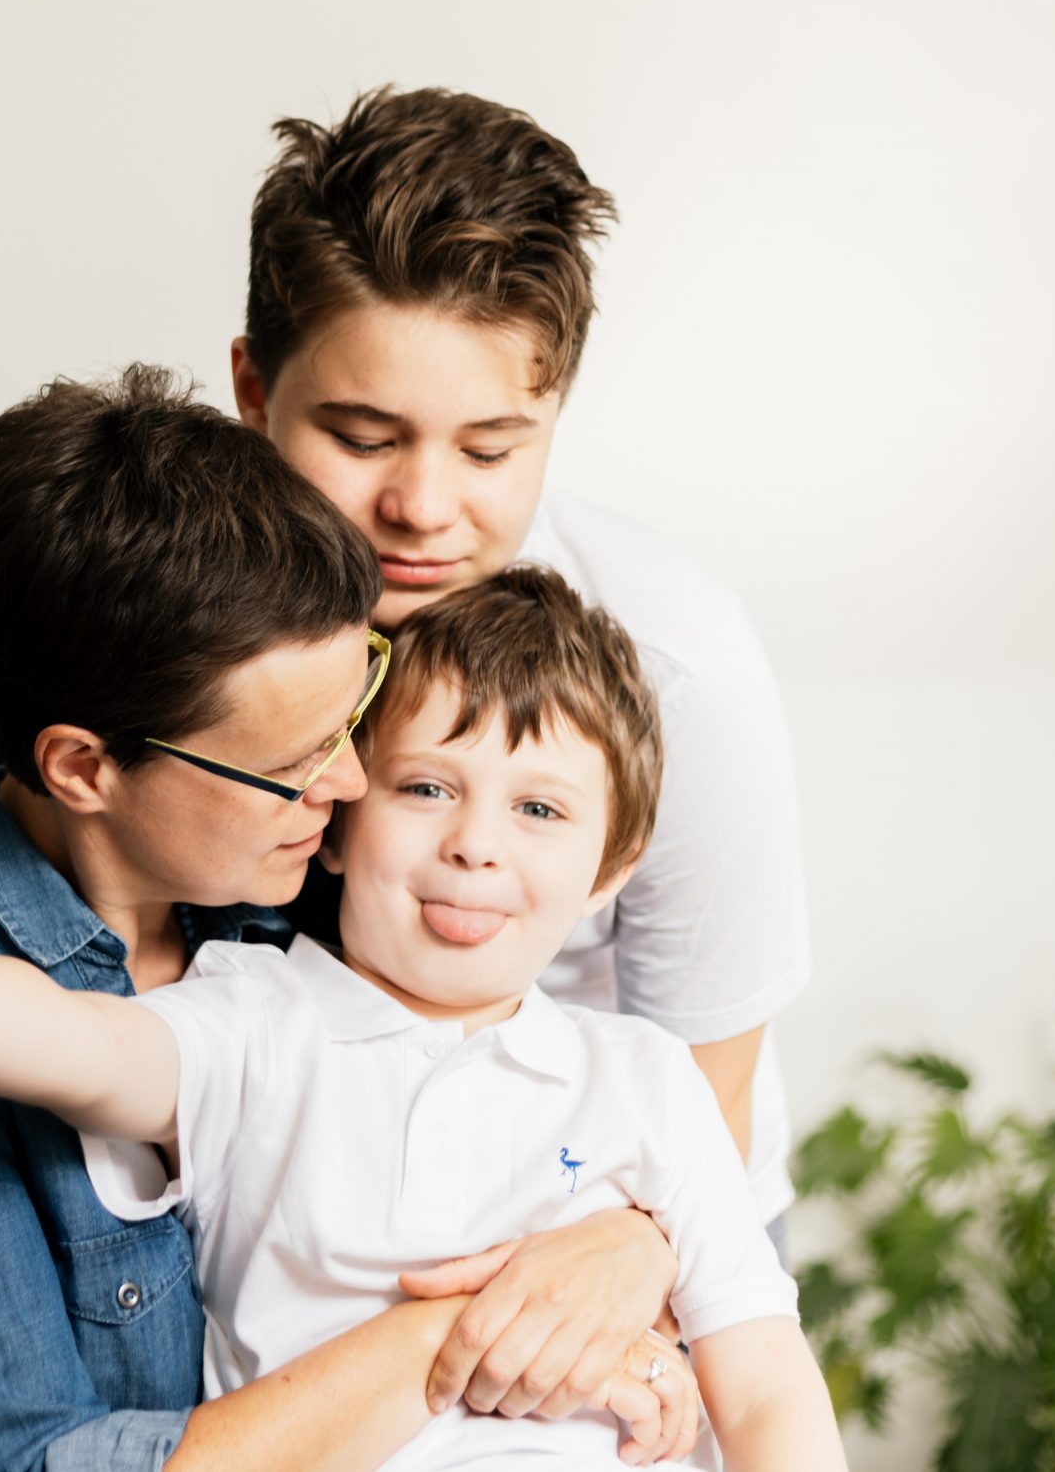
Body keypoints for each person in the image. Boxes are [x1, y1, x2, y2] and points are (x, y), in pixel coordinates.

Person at [0, 367, 695, 1472]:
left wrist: (631, 1245)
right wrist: (462, 1337)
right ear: (84, 768)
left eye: (353, 719)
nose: (350, 788)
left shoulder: (288, 894)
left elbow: (544, 1119)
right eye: (293, 760)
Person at [232, 88, 812, 1262]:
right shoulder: (189, 610)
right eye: (361, 439)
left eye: (490, 449)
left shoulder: (677, 665)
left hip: (629, 1220)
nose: (422, 507)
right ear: (253, 392)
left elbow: (706, 1083)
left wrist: (631, 1263)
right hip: (317, 1217)